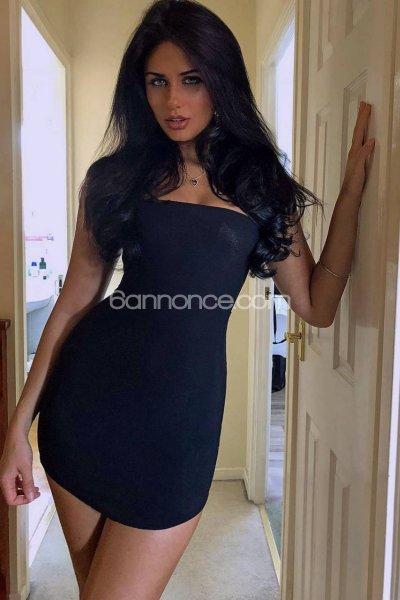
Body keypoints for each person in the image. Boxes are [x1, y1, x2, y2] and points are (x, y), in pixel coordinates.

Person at [0, 0, 374, 598]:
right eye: (158, 81)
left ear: (220, 81)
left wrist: (352, 192)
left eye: (191, 80)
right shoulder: (114, 178)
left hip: (180, 429)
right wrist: (17, 430)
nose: (173, 101)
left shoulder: (259, 185)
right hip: (85, 410)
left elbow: (316, 305)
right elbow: (72, 302)